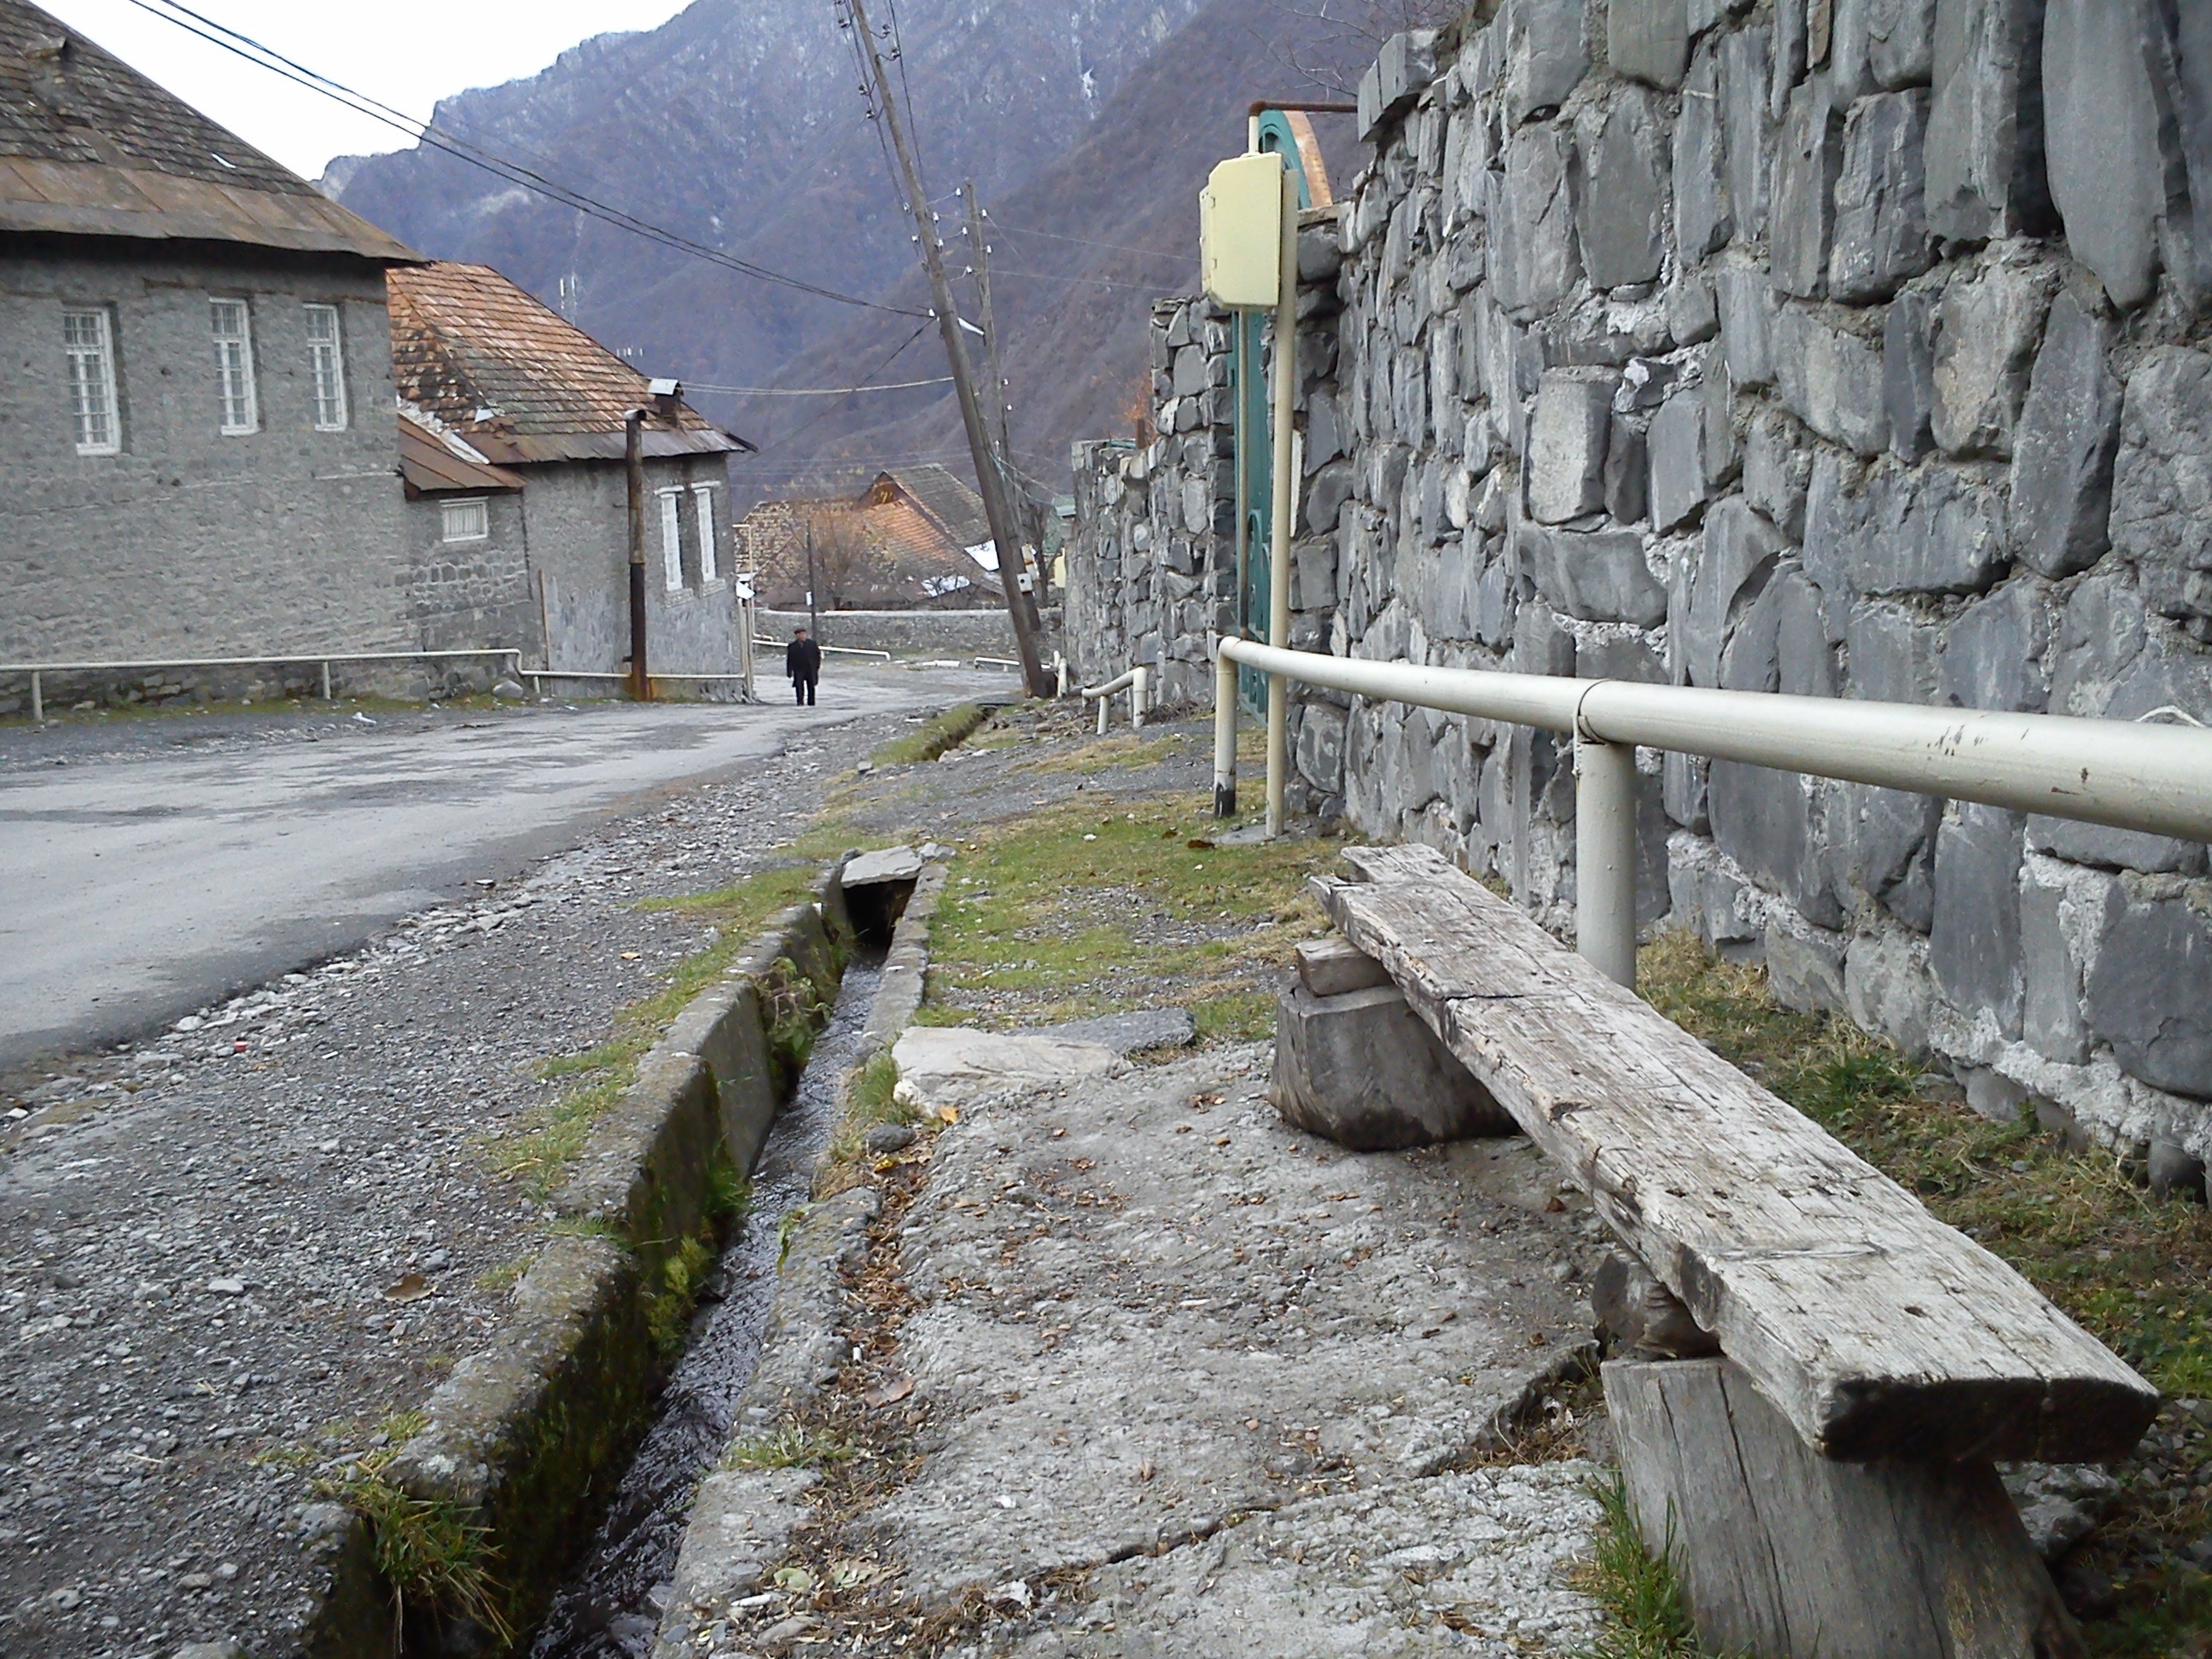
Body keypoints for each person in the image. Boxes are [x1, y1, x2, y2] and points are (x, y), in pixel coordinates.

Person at [788, 627, 822, 706]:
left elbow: (817, 655)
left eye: (804, 634)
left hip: (810, 668)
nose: (803, 636)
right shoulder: (792, 646)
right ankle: (800, 701)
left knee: (811, 685)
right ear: (797, 635)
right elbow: (790, 659)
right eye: (801, 634)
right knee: (799, 686)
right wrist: (789, 671)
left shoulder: (812, 644)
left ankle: (811, 702)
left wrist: (817, 666)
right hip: (799, 669)